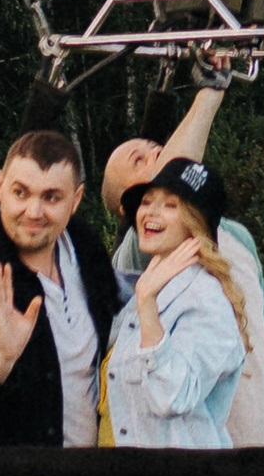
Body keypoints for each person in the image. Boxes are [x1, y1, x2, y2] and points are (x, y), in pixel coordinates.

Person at [100, 122, 264, 433]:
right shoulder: (139, 252)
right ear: (128, 210)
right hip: (187, 458)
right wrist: (211, 92)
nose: (156, 153)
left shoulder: (233, 246)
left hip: (233, 452)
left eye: (156, 146)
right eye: (137, 160)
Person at [103, 158, 252, 451]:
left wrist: (147, 305)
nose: (151, 213)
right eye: (147, 201)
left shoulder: (206, 299)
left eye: (171, 205)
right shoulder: (151, 286)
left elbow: (173, 396)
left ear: (195, 222)